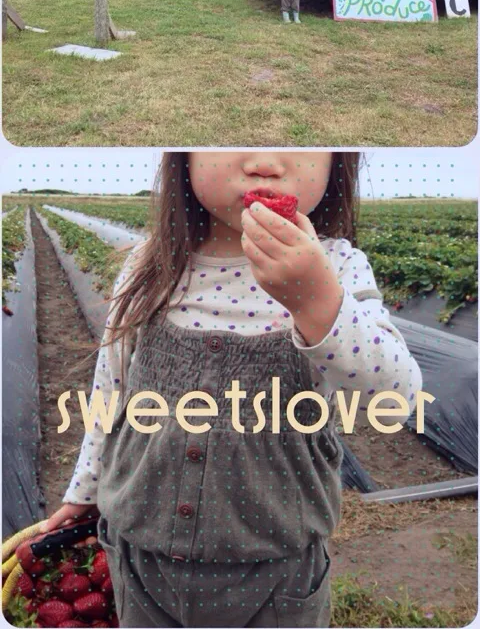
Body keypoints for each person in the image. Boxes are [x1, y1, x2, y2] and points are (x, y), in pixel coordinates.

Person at [40, 151, 423, 628]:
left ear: (337, 164)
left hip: (273, 576)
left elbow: (397, 395)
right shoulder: (150, 263)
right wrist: (86, 489)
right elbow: (110, 388)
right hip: (141, 562)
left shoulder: (336, 267)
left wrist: (316, 297)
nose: (265, 162)